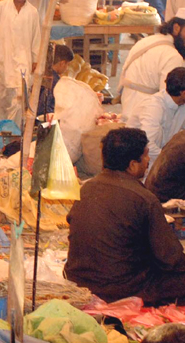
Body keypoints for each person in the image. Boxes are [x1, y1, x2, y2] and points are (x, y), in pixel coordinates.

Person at [65, 128, 185, 305]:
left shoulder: (87, 188)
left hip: (79, 280)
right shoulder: (144, 199)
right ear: (132, 165)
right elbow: (171, 259)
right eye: (145, 156)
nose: (148, 160)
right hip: (119, 289)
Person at [119, 11, 185, 125]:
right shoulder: (173, 56)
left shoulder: (147, 41)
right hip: (147, 118)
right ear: (176, 28)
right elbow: (170, 100)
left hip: (129, 109)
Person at [127, 67, 185, 170]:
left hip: (161, 158)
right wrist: (172, 160)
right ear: (183, 93)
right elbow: (147, 145)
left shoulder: (182, 104)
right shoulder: (154, 107)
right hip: (138, 162)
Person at [37, 44, 74, 116]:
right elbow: (44, 106)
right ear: (62, 63)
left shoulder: (44, 73)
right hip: (46, 120)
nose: (67, 68)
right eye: (67, 64)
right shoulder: (54, 80)